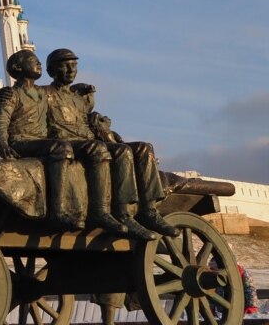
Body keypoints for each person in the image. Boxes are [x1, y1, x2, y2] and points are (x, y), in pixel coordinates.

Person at [44, 48, 176, 238]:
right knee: (122, 151)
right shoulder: (45, 94)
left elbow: (86, 118)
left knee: (144, 148)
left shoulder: (77, 98)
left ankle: (148, 210)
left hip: (88, 141)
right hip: (68, 144)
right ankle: (121, 212)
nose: (71, 70)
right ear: (51, 71)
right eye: (65, 66)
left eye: (74, 65)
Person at [0, 50, 77, 228]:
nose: (38, 63)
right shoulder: (13, 94)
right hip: (21, 141)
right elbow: (1, 120)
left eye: (38, 60)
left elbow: (62, 89)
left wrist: (81, 89)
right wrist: (3, 143)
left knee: (65, 147)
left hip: (41, 142)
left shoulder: (43, 93)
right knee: (62, 148)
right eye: (32, 61)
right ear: (18, 67)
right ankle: (58, 210)